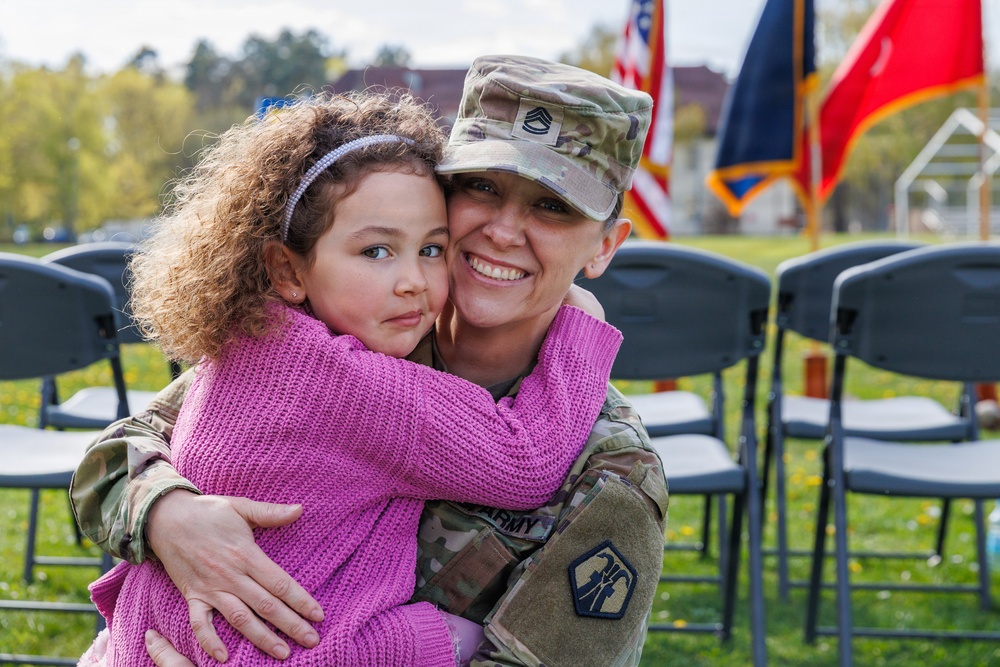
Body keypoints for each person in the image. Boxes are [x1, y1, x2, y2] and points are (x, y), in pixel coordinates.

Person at [72, 55, 669, 667]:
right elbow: (116, 458)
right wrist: (168, 516)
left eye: (552, 206)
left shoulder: (610, 472)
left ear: (604, 246)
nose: (503, 230)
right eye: (481, 187)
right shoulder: (353, 339)